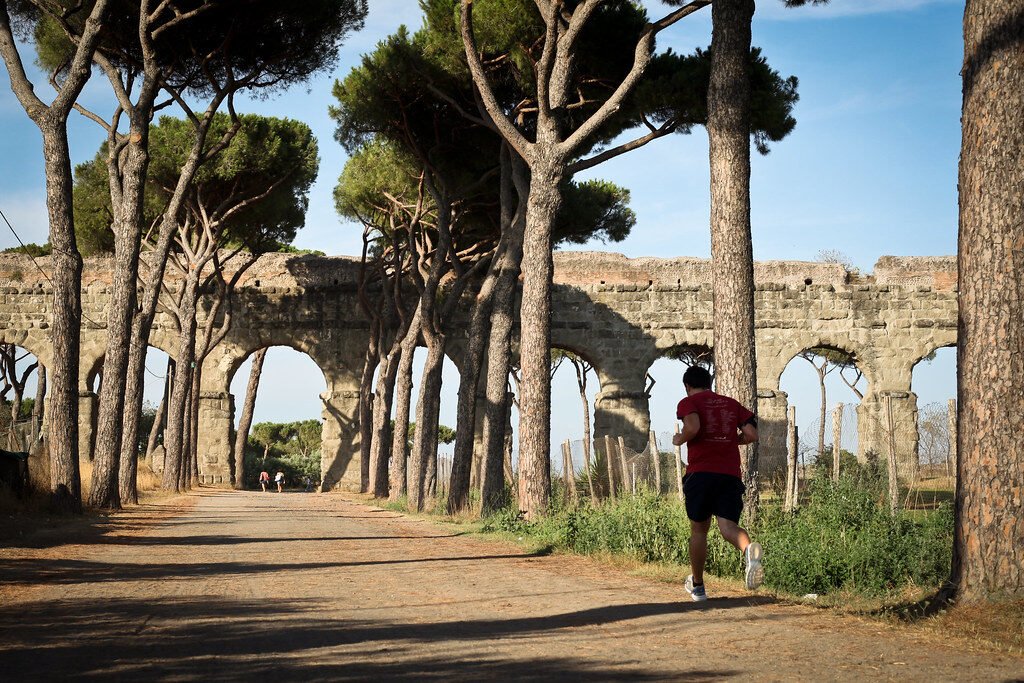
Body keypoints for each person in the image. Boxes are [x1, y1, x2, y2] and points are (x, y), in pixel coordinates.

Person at [672, 365, 764, 602]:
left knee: (699, 530)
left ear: (687, 386)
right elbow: (752, 435)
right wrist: (731, 440)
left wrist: (680, 438)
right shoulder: (731, 404)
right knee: (728, 527)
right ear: (709, 383)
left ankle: (698, 587)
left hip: (701, 474)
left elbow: (693, 427)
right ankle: (748, 551)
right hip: (729, 475)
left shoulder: (688, 402)